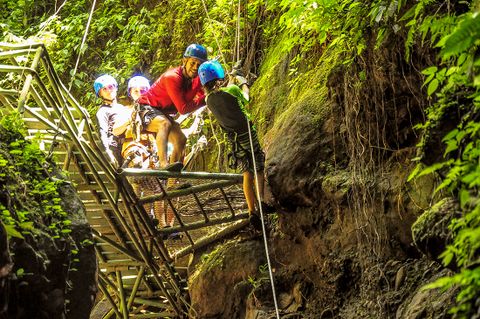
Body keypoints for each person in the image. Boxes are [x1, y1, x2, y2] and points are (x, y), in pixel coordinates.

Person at [197, 60, 274, 230]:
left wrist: (233, 76)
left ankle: (251, 210)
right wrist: (243, 81)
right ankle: (261, 202)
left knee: (247, 172)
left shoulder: (209, 100)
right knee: (258, 166)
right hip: (247, 134)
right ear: (219, 79)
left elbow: (225, 93)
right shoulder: (231, 90)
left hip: (234, 140)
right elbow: (245, 97)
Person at [114, 76, 177, 233]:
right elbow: (116, 130)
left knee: (157, 191)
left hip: (152, 155)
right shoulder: (126, 111)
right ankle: (149, 223)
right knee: (148, 187)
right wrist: (133, 116)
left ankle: (162, 226)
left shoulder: (154, 112)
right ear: (130, 93)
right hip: (135, 152)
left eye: (143, 90)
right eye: (136, 91)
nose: (140, 93)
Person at [136, 44, 208, 170]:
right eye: (193, 63)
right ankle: (164, 164)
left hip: (161, 112)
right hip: (146, 108)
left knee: (181, 139)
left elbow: (203, 94)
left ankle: (172, 182)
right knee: (164, 124)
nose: (195, 67)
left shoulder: (196, 79)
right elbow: (183, 109)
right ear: (184, 61)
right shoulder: (172, 77)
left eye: (199, 64)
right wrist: (207, 98)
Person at [94, 74, 125, 166]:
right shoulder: (103, 111)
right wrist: (108, 152)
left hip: (128, 143)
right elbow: (102, 132)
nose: (109, 90)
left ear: (115, 88)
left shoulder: (121, 107)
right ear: (100, 94)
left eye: (111, 87)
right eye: (104, 89)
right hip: (115, 147)